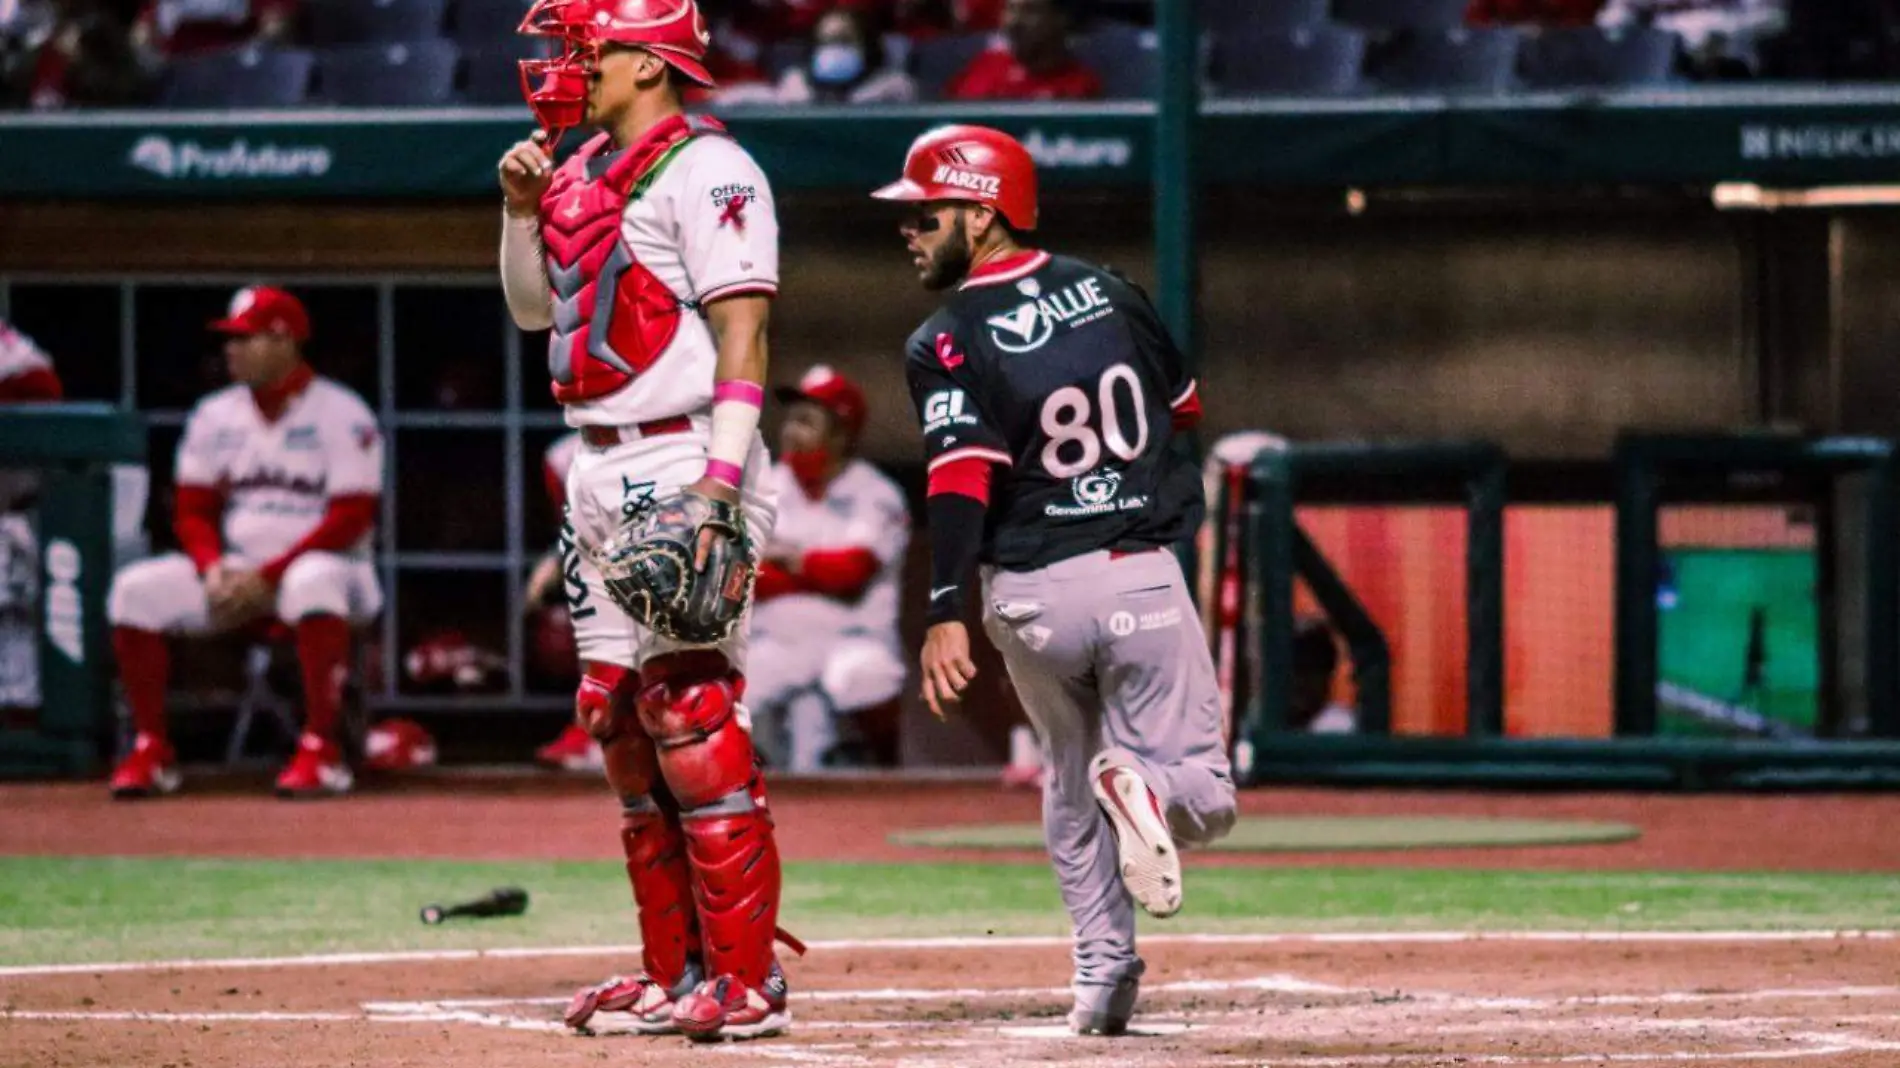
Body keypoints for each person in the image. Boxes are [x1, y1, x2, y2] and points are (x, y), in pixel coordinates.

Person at [873, 124, 1237, 1036]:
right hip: (1139, 573)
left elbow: (960, 477)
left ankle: (1102, 975)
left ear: (984, 211)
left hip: (1030, 597)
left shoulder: (945, 335)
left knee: (1070, 784)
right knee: (1203, 795)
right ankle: (1147, 791)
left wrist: (945, 609)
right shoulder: (1111, 290)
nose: (909, 230)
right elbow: (1185, 408)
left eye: (925, 213)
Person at [497, 0, 792, 1042]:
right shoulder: (572, 169)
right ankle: (674, 972)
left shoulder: (713, 170)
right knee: (614, 715)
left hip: (686, 446)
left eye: (591, 45)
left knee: (689, 708)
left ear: (650, 61)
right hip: (594, 454)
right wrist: (516, 212)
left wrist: (721, 481)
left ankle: (745, 981)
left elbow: (744, 336)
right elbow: (538, 314)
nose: (570, 63)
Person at [104, 285, 383, 800]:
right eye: (229, 339)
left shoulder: (342, 412)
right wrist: (212, 567)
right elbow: (192, 508)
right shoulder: (215, 414)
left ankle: (323, 749)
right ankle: (150, 749)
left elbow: (351, 516)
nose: (230, 349)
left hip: (334, 573)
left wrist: (268, 575)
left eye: (244, 338)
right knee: (133, 590)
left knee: (312, 579)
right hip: (237, 575)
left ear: (284, 340)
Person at [747, 364, 909, 772]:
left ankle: (890, 777)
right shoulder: (764, 486)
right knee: (728, 693)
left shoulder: (875, 493)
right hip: (777, 643)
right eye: (791, 419)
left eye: (806, 421)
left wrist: (786, 556)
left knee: (864, 679)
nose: (790, 430)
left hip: (853, 640)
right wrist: (815, 567)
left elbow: (853, 572)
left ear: (840, 433)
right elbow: (750, 578)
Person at [524, 430, 604, 772]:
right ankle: (593, 729)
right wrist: (556, 560)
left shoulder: (670, 439)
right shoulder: (562, 456)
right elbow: (577, 530)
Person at [714, 6, 917, 105]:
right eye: (825, 42)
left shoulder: (893, 88)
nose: (833, 49)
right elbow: (755, 98)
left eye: (843, 40)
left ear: (867, 45)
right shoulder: (797, 86)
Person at [943, 0, 1100, 101]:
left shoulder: (1079, 85)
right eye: (1010, 9)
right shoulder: (986, 66)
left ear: (1060, 19)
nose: (1015, 22)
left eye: (1031, 11)